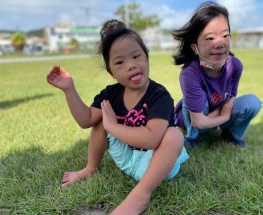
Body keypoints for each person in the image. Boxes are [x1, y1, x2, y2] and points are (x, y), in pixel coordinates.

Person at [46, 19, 188, 215]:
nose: (131, 65)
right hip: (127, 160)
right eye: (120, 62)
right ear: (111, 71)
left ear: (146, 58)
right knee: (101, 118)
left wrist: (113, 126)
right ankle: (91, 168)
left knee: (174, 135)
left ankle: (140, 195)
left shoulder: (159, 95)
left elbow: (152, 139)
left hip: (155, 164)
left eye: (136, 56)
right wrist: (69, 89)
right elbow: (86, 119)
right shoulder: (111, 94)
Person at [172, 1, 262, 148]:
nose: (220, 44)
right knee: (200, 103)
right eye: (210, 38)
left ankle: (232, 134)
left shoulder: (235, 65)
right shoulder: (189, 73)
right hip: (195, 121)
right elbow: (198, 121)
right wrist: (224, 117)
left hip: (214, 115)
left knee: (253, 102)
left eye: (225, 35)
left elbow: (231, 96)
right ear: (195, 47)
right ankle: (191, 137)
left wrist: (218, 116)